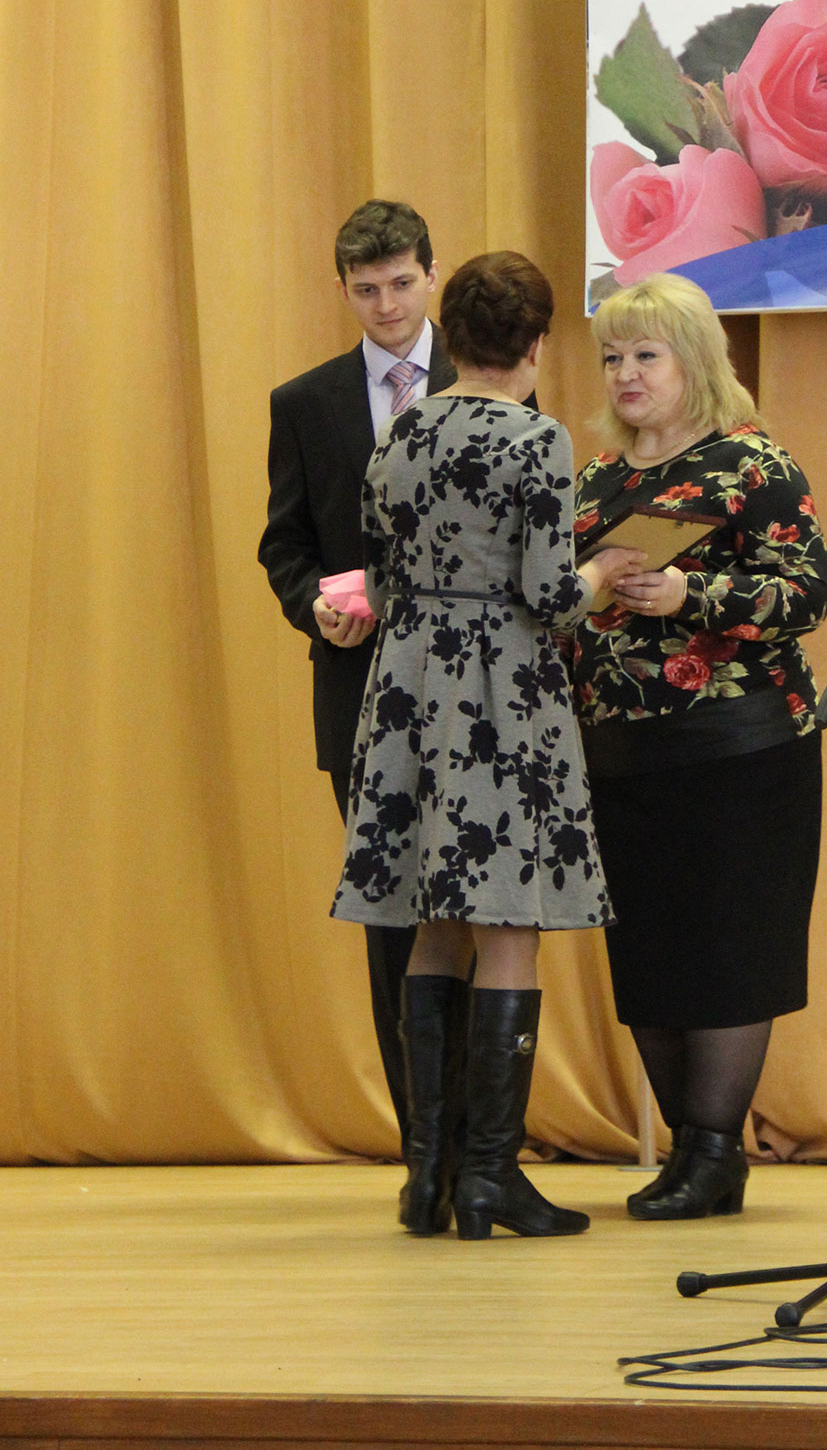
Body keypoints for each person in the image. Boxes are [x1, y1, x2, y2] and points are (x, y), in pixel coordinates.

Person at [330, 252, 642, 1240]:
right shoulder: (537, 438)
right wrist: (605, 571)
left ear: (454, 337)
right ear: (537, 343)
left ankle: (427, 1176)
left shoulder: (400, 430)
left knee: (432, 920)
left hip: (409, 684)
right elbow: (548, 594)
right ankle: (492, 1176)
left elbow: (379, 577)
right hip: (500, 690)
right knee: (508, 924)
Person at [571, 272, 827, 1220]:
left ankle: (715, 1152)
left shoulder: (754, 465)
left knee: (727, 949)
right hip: (620, 754)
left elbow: (806, 593)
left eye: (647, 354)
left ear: (694, 360)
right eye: (613, 356)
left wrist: (695, 596)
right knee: (650, 953)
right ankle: (691, 1152)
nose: (626, 373)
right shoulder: (598, 477)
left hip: (739, 749)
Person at [258, 200, 455, 1142]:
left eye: (402, 283)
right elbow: (285, 544)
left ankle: (480, 1134)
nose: (387, 305)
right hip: (360, 688)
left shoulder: (488, 381)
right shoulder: (305, 403)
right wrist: (315, 607)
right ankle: (422, 1137)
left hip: (474, 692)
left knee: (478, 910)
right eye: (367, 289)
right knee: (393, 916)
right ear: (342, 289)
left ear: (432, 274)